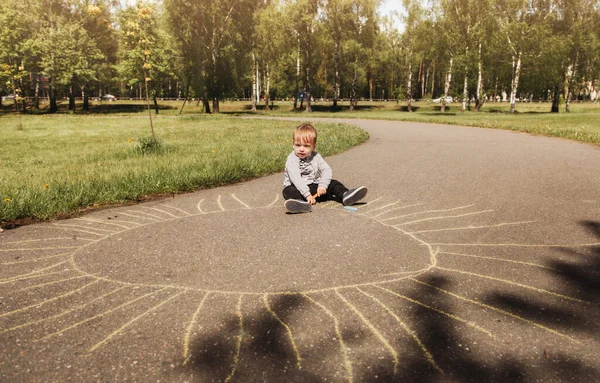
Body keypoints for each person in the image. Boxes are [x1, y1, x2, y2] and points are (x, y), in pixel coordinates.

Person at [283, 123, 367, 213]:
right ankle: (300, 203)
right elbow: (296, 178)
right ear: (293, 144)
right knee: (287, 191)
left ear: (314, 146)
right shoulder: (292, 159)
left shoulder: (316, 156)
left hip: (315, 187)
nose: (301, 149)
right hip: (298, 189)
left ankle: (345, 195)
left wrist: (323, 185)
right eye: (298, 145)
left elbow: (326, 170)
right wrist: (307, 195)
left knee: (333, 183)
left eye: (306, 146)